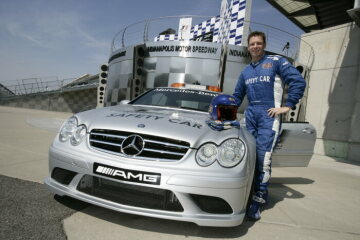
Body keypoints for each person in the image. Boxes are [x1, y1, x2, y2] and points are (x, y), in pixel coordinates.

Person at [233, 31, 306, 220]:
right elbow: (237, 97)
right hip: (250, 115)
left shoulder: (276, 62)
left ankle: (258, 198)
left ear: (264, 45)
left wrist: (287, 106)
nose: (255, 46)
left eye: (258, 43)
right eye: (252, 44)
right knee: (248, 157)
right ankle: (252, 192)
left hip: (269, 115)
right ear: (248, 47)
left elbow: (298, 81)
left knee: (263, 159)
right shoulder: (246, 71)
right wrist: (221, 108)